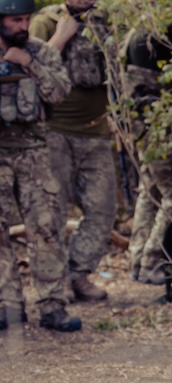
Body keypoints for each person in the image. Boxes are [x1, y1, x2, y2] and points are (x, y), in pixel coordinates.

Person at [0, 0, 81, 331]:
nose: (22, 26)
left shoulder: (40, 52)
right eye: (15, 20)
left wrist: (28, 63)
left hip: (34, 151)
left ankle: (52, 305)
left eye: (25, 19)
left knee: (46, 227)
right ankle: (7, 305)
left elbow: (59, 93)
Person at [29, 0, 115, 302]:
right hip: (55, 132)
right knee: (51, 212)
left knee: (103, 209)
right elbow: (30, 68)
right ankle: (56, 284)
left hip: (96, 131)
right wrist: (62, 36)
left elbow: (114, 71)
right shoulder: (46, 21)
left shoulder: (106, 21)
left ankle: (79, 273)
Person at [122, 27, 172, 285]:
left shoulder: (144, 28)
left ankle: (139, 259)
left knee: (150, 190)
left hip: (149, 124)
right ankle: (152, 262)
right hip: (155, 125)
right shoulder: (154, 32)